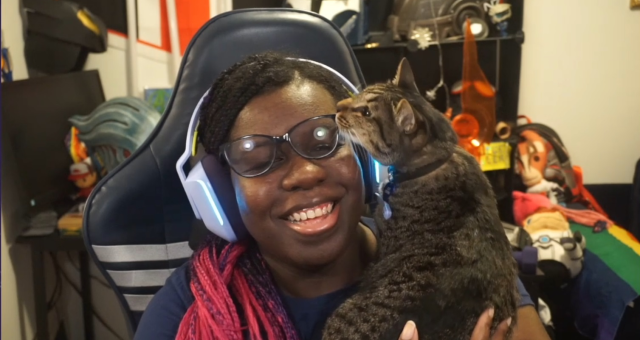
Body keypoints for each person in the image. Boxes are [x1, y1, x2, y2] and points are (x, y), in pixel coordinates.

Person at [135, 52, 551, 340]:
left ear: (369, 162)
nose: (305, 173)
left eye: (324, 140)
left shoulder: (462, 258)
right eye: (258, 157)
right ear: (219, 194)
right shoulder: (188, 311)